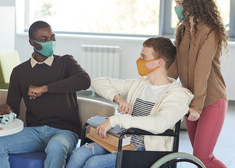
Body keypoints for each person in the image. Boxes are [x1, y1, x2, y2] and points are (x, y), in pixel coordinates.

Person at [66, 37, 194, 168]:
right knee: (78, 155)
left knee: (93, 163)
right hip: (124, 141)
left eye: (144, 57)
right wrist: (118, 98)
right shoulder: (140, 84)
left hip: (146, 150)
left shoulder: (178, 95)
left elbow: (159, 124)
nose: (139, 61)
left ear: (159, 62)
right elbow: (98, 81)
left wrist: (116, 120)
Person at [0, 21, 91, 168]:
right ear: (32, 42)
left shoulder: (66, 62)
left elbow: (85, 80)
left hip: (65, 132)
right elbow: (14, 109)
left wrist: (44, 88)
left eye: (52, 37)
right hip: (34, 132)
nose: (51, 42)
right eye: (44, 39)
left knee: (56, 145)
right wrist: (7, 110)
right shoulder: (19, 72)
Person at [168, 0, 228, 168]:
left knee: (203, 157)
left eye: (180, 3)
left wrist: (197, 106)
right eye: (175, 2)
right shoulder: (183, 30)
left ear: (193, 3)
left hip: (211, 101)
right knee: (198, 158)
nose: (176, 7)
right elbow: (175, 67)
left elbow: (202, 70)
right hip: (191, 101)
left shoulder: (210, 31)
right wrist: (156, 86)